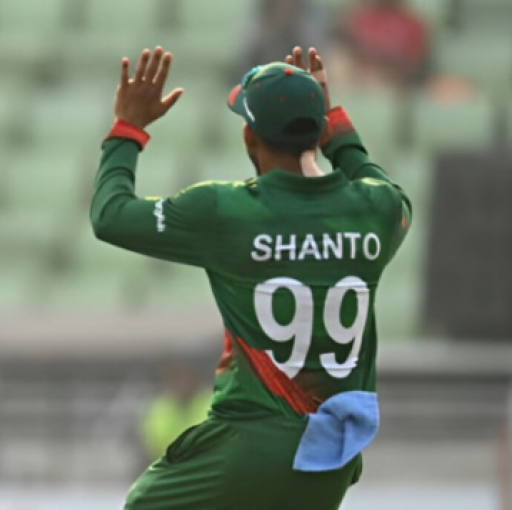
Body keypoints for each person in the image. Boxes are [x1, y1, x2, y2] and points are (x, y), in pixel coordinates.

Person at [90, 45, 412, 510]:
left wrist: (128, 128)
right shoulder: (379, 210)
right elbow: (376, 180)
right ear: (320, 131)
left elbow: (110, 215)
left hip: (250, 444)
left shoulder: (226, 211)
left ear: (249, 137)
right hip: (333, 457)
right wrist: (334, 121)